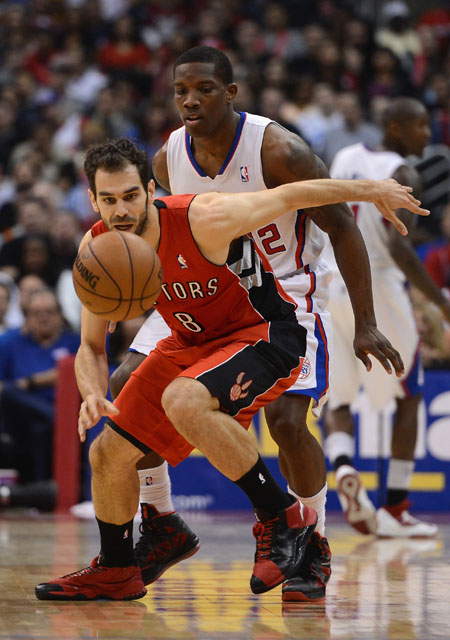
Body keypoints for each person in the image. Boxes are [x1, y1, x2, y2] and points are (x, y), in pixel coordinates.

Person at [34, 138, 425, 601]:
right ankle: (118, 568)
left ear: (151, 189)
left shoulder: (204, 217)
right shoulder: (97, 247)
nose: (121, 210)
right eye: (109, 199)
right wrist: (91, 393)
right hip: (191, 340)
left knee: (185, 399)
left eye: (131, 196)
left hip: (264, 332)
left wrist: (372, 189)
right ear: (93, 200)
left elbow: (292, 196)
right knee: (107, 452)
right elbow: (90, 347)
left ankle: (284, 519)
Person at [110, 46, 409, 603]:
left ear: (231, 93)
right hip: (203, 295)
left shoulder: (277, 149)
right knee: (125, 383)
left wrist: (364, 322)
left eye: (202, 88)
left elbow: (343, 228)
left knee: (287, 421)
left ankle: (312, 539)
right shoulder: (166, 160)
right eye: (180, 91)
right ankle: (162, 521)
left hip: (284, 293)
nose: (190, 100)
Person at [324, 97, 450, 537]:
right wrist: (440, 302)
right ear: (395, 127)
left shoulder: (344, 157)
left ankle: (342, 468)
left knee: (338, 398)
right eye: (419, 126)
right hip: (376, 286)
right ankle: (396, 509)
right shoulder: (405, 172)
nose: (426, 134)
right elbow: (398, 246)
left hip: (335, 286)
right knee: (410, 395)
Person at [0, 288, 80, 483]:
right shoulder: (10, 342)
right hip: (19, 415)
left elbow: (77, 372)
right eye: (37, 313)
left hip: (66, 411)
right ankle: (52, 415)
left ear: (60, 316)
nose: (44, 318)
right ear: (26, 317)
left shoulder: (74, 342)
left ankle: (41, 493)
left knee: (40, 427)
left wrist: (30, 382)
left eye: (50, 312)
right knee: (10, 392)